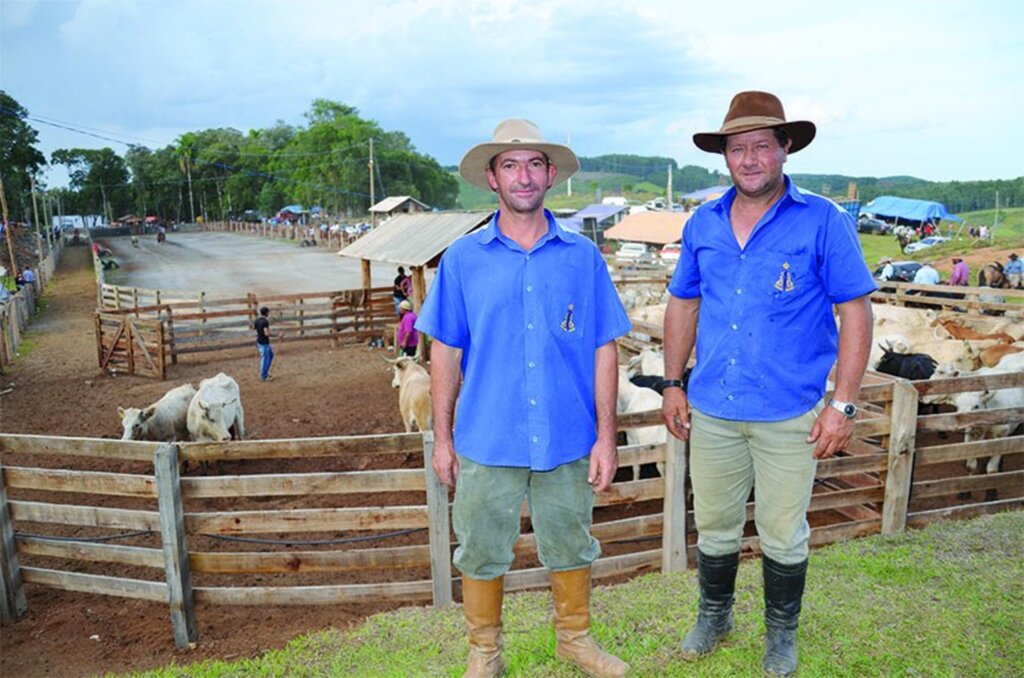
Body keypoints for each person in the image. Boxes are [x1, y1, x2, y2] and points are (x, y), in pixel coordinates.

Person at [662, 91, 875, 677]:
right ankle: (715, 615)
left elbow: (855, 312)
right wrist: (672, 383)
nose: (749, 158)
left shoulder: (822, 220)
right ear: (724, 157)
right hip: (713, 407)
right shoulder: (702, 221)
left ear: (785, 149)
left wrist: (844, 405)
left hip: (789, 410)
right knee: (716, 523)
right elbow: (683, 303)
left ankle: (781, 635)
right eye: (737, 148)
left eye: (761, 145)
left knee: (783, 532)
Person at [415, 119, 632, 678]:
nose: (523, 175)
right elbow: (445, 351)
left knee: (571, 542)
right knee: (482, 547)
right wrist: (443, 439)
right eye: (510, 165)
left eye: (534, 163)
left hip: (566, 435)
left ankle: (575, 640)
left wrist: (606, 438)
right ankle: (484, 651)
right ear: (491, 178)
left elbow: (604, 348)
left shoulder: (583, 258)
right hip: (487, 436)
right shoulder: (462, 260)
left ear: (551, 174)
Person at [254, 306, 274, 381]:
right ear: (266, 313)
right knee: (266, 358)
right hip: (264, 342)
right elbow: (266, 333)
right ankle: (264, 375)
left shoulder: (257, 320)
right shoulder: (265, 322)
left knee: (270, 356)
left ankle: (265, 372)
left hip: (259, 341)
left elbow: (256, 330)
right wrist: (277, 335)